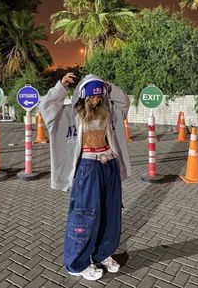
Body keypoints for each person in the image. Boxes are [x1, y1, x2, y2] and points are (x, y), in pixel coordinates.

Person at [39, 73, 132, 281]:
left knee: (111, 212)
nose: (95, 100)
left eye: (98, 96)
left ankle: (102, 253)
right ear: (82, 95)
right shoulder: (69, 114)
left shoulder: (109, 111)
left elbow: (124, 101)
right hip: (87, 167)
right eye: (91, 96)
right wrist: (61, 87)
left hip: (110, 164)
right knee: (84, 214)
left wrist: (108, 86)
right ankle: (76, 263)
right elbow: (46, 107)